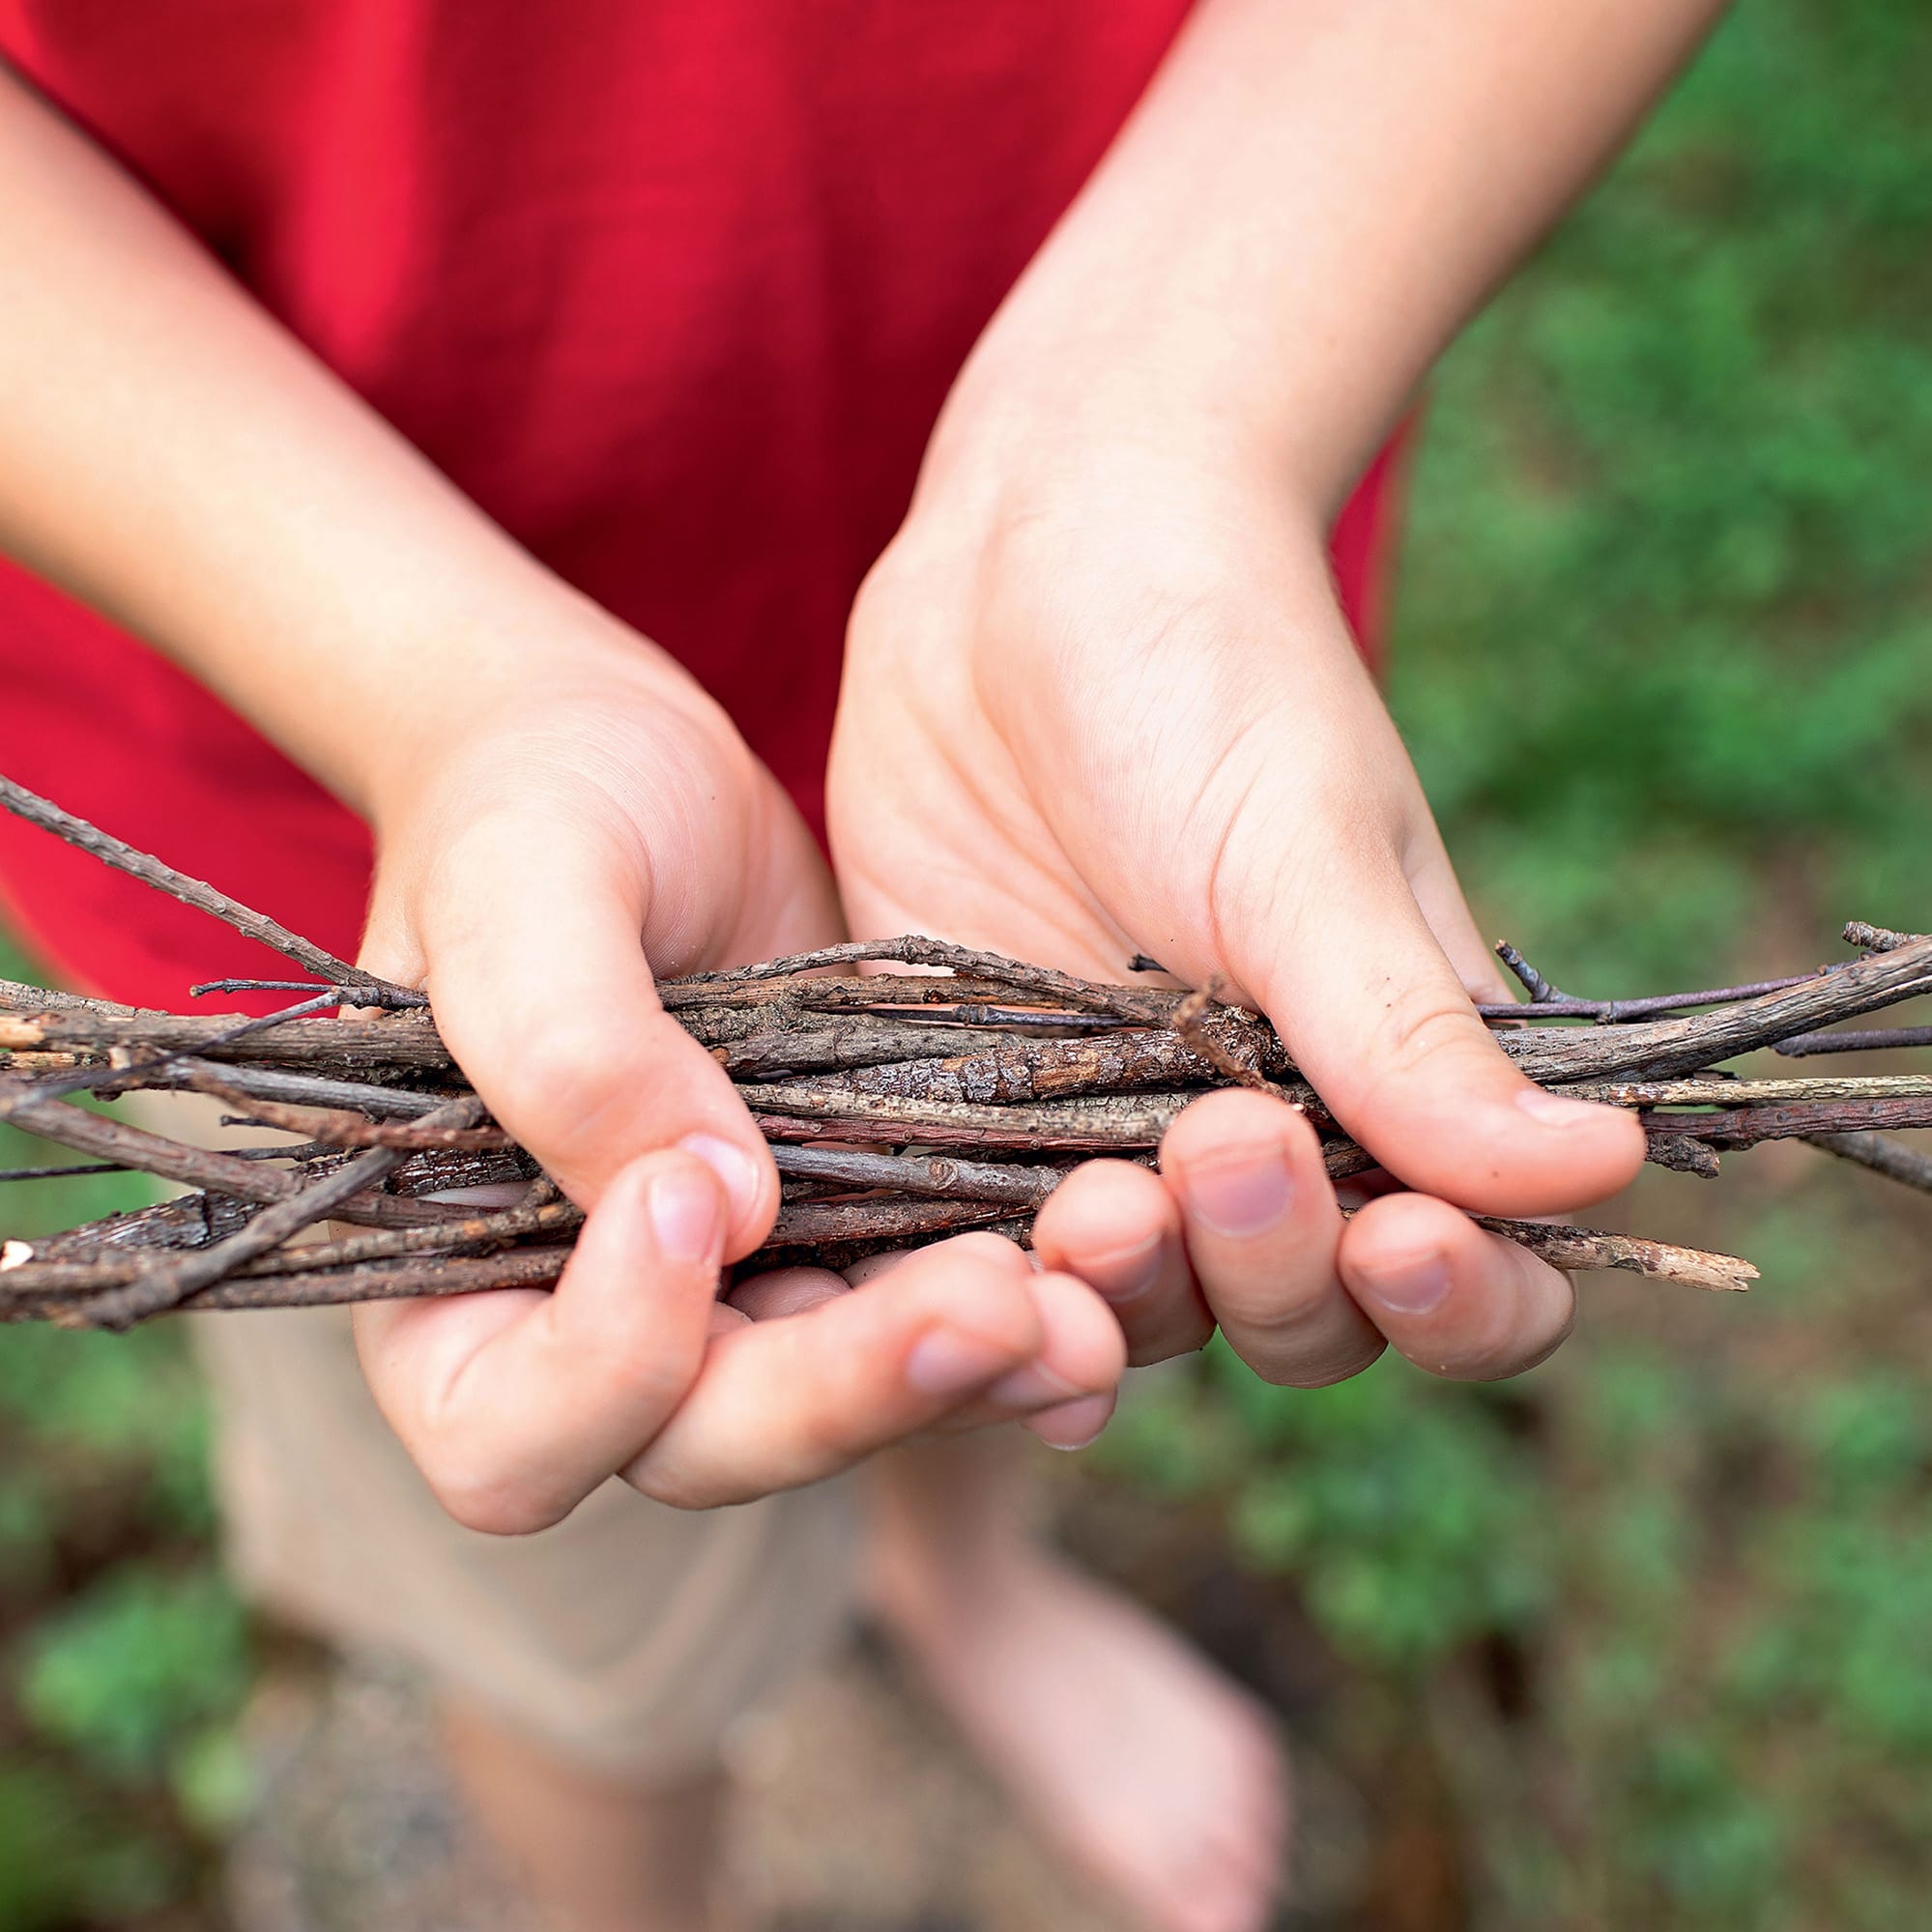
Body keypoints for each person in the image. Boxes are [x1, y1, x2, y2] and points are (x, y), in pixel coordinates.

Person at [0, 5, 1726, 1928]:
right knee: (595, 1610)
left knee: (1027, 1270)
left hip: (1100, 618)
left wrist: (1154, 429)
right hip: (352, 789)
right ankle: (619, 1887)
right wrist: (443, 697)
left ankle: (962, 1577)